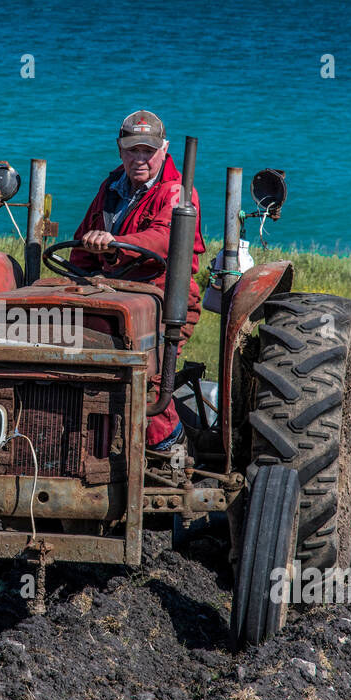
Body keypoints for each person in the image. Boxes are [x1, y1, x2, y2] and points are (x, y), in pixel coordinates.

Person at [69, 110, 206, 451]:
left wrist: (115, 245)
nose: (140, 158)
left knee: (145, 379)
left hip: (161, 301)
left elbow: (163, 238)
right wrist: (82, 276)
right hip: (112, 297)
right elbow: (82, 247)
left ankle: (168, 448)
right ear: (120, 150)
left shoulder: (177, 193)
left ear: (164, 149)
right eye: (133, 150)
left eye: (148, 150)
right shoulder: (111, 188)